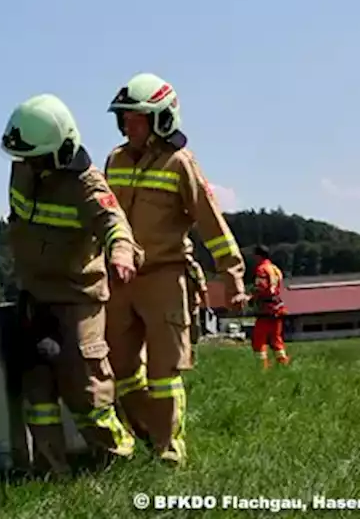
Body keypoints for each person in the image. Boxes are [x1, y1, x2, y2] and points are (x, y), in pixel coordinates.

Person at [104, 72, 248, 466]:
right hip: (120, 281)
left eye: (136, 118)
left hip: (166, 277)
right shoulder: (114, 160)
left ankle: (169, 452)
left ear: (161, 119)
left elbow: (210, 221)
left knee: (165, 371)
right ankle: (148, 435)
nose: (127, 125)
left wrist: (232, 275)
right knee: (121, 368)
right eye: (124, 119)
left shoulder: (179, 162)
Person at [0, 94, 140, 473]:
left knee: (85, 387)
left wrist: (121, 253)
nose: (26, 163)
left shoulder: (86, 183)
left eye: (34, 156)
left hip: (78, 297)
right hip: (33, 293)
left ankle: (116, 455)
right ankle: (50, 469)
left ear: (59, 148)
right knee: (38, 389)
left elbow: (114, 222)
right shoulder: (24, 167)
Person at [251, 245, 290, 368]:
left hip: (265, 309)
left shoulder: (261, 269)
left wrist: (251, 298)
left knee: (259, 339)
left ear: (258, 256)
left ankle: (261, 367)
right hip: (277, 307)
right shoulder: (275, 269)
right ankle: (283, 363)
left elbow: (260, 288)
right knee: (276, 339)